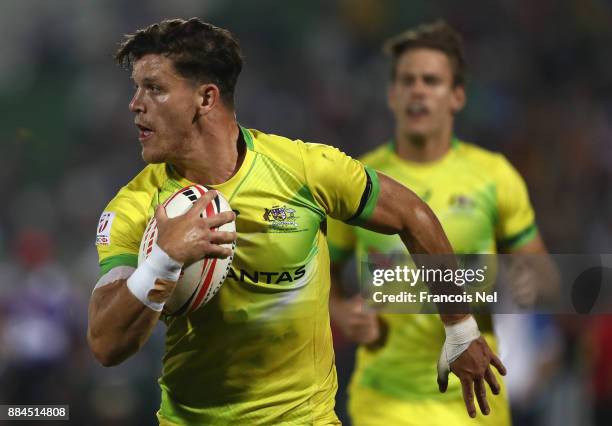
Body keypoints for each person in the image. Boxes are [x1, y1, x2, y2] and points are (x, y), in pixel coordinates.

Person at [86, 18, 505, 425]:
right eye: (136, 88)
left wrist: (460, 327)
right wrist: (164, 259)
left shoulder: (304, 170)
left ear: (206, 99)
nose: (135, 104)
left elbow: (413, 214)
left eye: (154, 88)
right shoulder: (137, 206)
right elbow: (105, 343)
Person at [327, 20, 553, 426]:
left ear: (457, 96)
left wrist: (533, 283)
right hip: (383, 401)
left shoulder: (493, 175)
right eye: (407, 80)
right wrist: (340, 311)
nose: (417, 90)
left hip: (476, 399)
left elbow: (546, 277)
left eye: (431, 81)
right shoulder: (358, 179)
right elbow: (318, 275)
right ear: (392, 94)